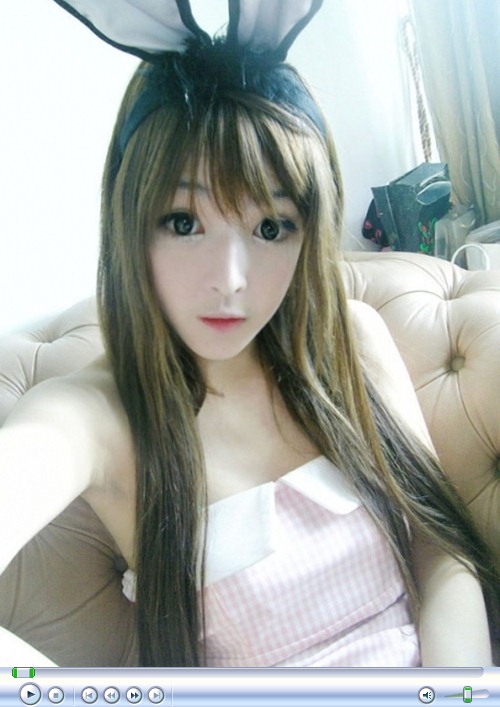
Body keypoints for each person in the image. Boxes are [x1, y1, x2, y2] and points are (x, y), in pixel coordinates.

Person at [0, 0, 498, 667]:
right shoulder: (93, 418)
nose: (230, 280)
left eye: (271, 227)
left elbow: (440, 551)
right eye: (183, 222)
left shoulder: (349, 341)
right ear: (130, 222)